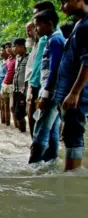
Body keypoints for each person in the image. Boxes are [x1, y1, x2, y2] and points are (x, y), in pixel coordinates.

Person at [54, 0, 88, 171]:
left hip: (77, 95)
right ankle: (71, 173)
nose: (62, 7)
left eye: (65, 1)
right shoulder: (79, 24)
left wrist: (74, 92)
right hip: (71, 92)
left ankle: (73, 174)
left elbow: (87, 62)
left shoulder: (85, 26)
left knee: (73, 135)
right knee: (70, 134)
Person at [28, 9, 65, 165]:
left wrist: (45, 94)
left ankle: (34, 165)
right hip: (53, 91)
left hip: (51, 92)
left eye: (38, 26)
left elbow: (54, 69)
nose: (36, 30)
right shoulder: (54, 39)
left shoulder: (55, 41)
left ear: (49, 24)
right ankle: (50, 164)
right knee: (52, 131)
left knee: (41, 130)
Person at [25, 21, 40, 138]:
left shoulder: (44, 43)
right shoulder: (34, 46)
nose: (28, 33)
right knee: (31, 115)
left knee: (34, 116)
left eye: (29, 30)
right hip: (31, 84)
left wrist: (32, 88)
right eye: (27, 31)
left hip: (37, 86)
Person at [13, 38, 29, 132]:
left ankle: (23, 131)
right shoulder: (18, 58)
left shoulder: (30, 57)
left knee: (19, 113)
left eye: (15, 46)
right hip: (16, 89)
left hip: (23, 90)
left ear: (22, 46)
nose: (14, 48)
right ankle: (21, 132)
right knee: (16, 112)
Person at [1, 42, 16, 127]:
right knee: (5, 106)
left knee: (12, 107)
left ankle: (17, 125)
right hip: (5, 84)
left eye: (9, 47)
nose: (8, 49)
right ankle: (7, 124)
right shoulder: (7, 60)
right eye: (6, 47)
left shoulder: (17, 58)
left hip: (12, 85)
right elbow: (7, 72)